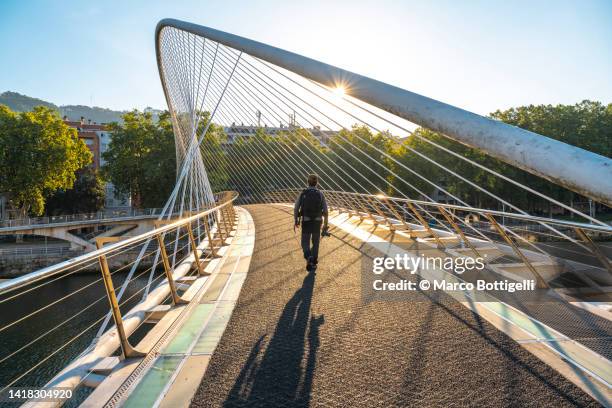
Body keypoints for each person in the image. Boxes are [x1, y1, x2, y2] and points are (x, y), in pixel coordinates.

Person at [294, 174, 328, 272]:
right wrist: (325, 225)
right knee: (316, 242)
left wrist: (295, 220)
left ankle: (309, 257)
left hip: (306, 221)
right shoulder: (320, 194)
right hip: (317, 221)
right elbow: (325, 211)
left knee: (305, 242)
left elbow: (296, 208)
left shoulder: (303, 193)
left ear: (307, 182)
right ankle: (314, 260)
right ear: (317, 183)